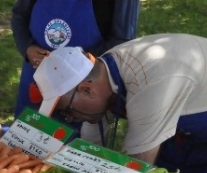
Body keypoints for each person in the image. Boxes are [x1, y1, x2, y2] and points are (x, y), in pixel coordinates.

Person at [33, 34, 207, 173]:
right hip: (188, 121)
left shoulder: (151, 85)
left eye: (66, 110)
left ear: (87, 90)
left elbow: (138, 169)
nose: (69, 118)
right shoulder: (104, 73)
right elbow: (92, 144)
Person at [11, 0, 140, 118]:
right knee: (27, 134)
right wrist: (27, 47)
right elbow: (19, 14)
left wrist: (74, 65)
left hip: (83, 89)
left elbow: (122, 41)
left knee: (72, 140)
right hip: (36, 79)